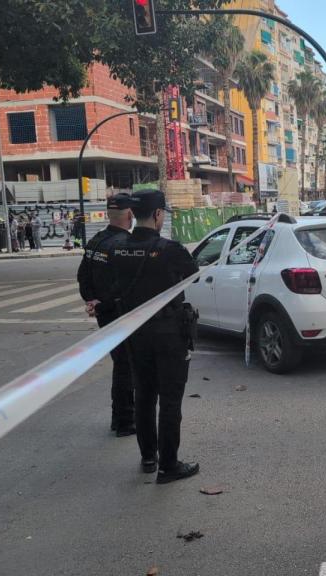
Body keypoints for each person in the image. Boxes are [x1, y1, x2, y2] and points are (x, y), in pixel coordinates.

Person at [109, 189, 200, 483]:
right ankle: (168, 466)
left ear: (133, 214)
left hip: (135, 334)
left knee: (144, 396)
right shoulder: (171, 249)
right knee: (170, 400)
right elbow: (192, 274)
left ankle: (149, 457)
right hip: (168, 334)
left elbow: (111, 288)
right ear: (158, 215)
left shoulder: (117, 248)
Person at [77, 193, 136, 437]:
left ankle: (119, 417)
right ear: (130, 215)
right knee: (127, 367)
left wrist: (91, 301)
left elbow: (83, 276)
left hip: (104, 314)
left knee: (121, 364)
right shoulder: (125, 245)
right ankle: (124, 421)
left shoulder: (96, 242)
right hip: (119, 313)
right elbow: (124, 287)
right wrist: (102, 303)